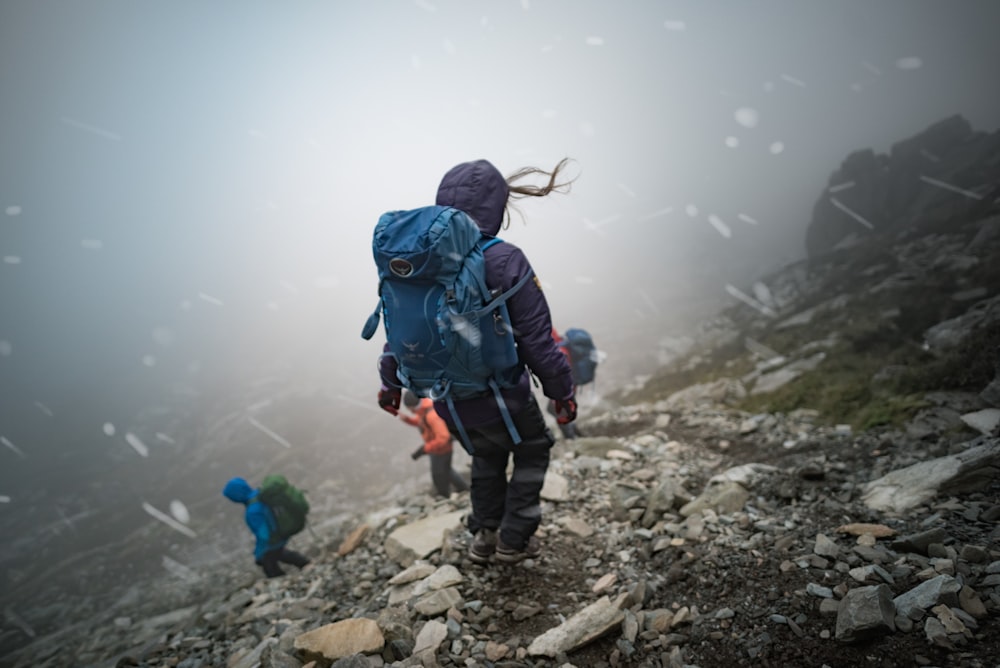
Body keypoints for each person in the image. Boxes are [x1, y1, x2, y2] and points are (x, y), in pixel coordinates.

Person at [377, 158, 577, 564]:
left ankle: (485, 537)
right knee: (533, 450)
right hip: (503, 394)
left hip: (448, 397)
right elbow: (539, 343)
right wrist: (563, 393)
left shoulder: (421, 261)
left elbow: (398, 327)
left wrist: (390, 384)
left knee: (486, 456)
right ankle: (514, 540)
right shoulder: (504, 259)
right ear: (497, 206)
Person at [222, 476, 310, 578]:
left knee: (269, 563)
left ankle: (282, 579)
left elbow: (264, 535)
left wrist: (258, 553)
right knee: (279, 553)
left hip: (275, 538)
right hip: (280, 533)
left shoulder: (252, 511)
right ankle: (304, 563)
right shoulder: (260, 494)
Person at [400, 391, 469, 498]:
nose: (409, 410)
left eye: (408, 407)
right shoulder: (423, 411)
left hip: (442, 450)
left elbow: (443, 438)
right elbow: (421, 423)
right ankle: (463, 489)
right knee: (447, 470)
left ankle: (444, 496)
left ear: (413, 405)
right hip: (436, 449)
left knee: (438, 475)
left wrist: (425, 449)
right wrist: (408, 420)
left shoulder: (432, 415)